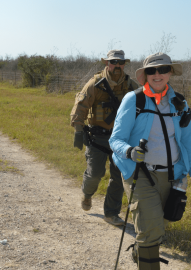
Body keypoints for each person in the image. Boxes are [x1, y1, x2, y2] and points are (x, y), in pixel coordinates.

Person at [109, 52, 191, 269]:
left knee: (161, 223)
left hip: (172, 175)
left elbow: (189, 143)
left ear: (170, 72)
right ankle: (146, 252)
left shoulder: (179, 102)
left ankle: (140, 249)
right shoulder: (134, 100)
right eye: (152, 70)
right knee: (151, 230)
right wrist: (129, 151)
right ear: (145, 75)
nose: (157, 74)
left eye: (163, 69)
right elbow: (115, 139)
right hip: (140, 174)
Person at [70, 50, 139, 226]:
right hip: (97, 138)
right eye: (113, 62)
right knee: (95, 173)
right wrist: (78, 130)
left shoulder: (131, 85)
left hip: (121, 140)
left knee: (118, 176)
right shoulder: (95, 84)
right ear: (107, 63)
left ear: (124, 64)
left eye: (120, 62)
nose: (117, 65)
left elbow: (144, 106)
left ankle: (111, 213)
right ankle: (87, 194)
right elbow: (81, 106)